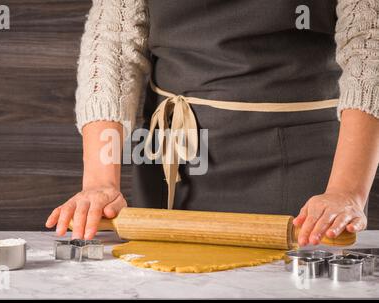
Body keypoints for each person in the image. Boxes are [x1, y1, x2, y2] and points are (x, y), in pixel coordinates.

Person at [46, 0, 379, 247]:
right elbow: (113, 41)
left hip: (304, 162)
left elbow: (369, 46)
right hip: (174, 157)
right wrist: (100, 183)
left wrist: (345, 191)